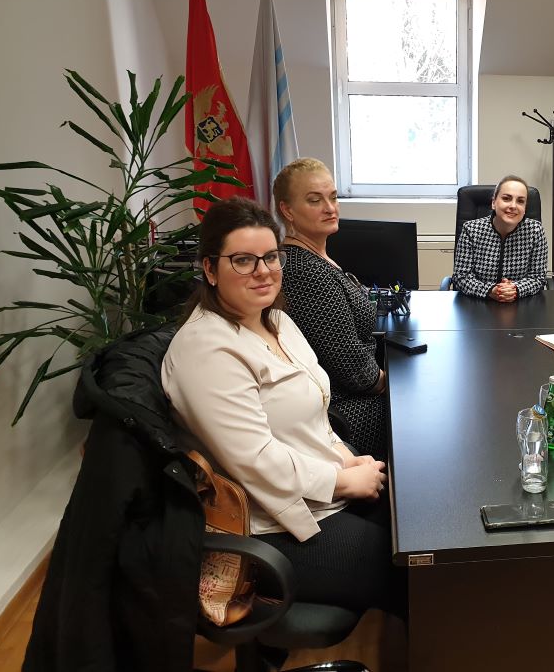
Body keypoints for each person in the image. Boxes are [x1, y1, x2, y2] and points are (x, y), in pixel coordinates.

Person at [161, 197, 401, 614]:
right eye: (243, 260)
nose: (263, 271)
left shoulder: (278, 321)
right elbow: (256, 460)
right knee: (413, 570)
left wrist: (347, 459)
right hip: (271, 523)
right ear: (210, 269)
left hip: (318, 489)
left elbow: (318, 412)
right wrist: (343, 481)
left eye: (271, 257)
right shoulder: (206, 350)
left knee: (417, 525)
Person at [272, 158, 387, 460]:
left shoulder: (317, 258)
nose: (330, 207)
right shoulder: (305, 272)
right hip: (344, 412)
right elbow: (355, 372)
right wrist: (396, 384)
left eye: (333, 197)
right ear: (287, 210)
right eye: (315, 200)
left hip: (353, 394)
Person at [452, 174, 548, 300]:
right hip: (477, 303)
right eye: (506, 198)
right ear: (493, 203)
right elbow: (461, 277)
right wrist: (490, 290)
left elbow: (538, 277)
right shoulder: (471, 230)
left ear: (525, 208)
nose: (513, 206)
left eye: (520, 201)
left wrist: (515, 289)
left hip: (520, 303)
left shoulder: (535, 231)